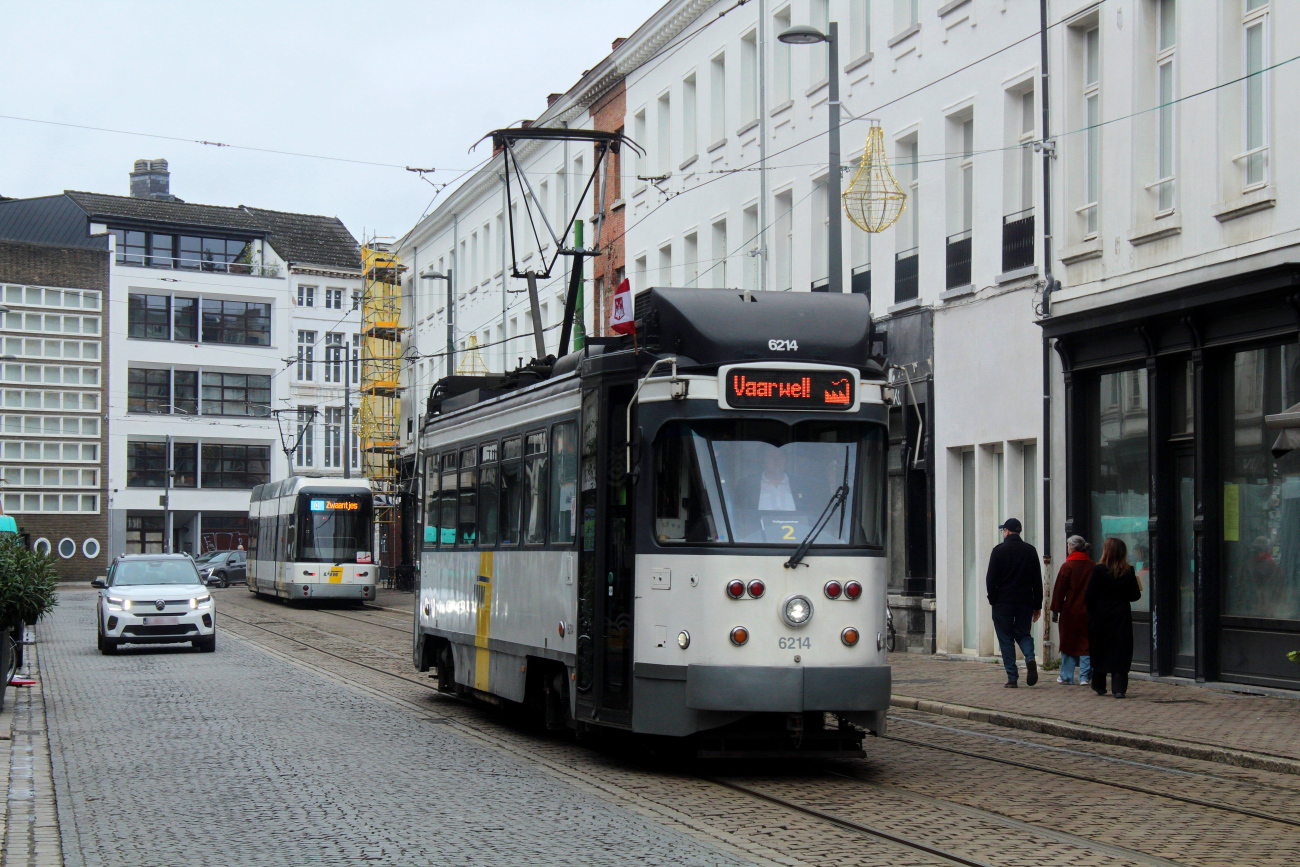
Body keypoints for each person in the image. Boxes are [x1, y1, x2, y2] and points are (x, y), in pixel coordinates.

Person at [985, 517, 1043, 688]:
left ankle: (1012, 677)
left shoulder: (998, 551)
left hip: (1003, 602)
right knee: (1023, 633)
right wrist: (1037, 605)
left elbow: (990, 579)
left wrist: (992, 599)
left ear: (1007, 531)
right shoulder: (1030, 551)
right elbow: (1037, 581)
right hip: (1025, 601)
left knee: (1005, 638)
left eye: (1003, 530)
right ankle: (1030, 657)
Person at [1086, 537, 1143, 698]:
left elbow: (1089, 594)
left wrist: (1092, 612)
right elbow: (1135, 595)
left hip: (1100, 616)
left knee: (1100, 648)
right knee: (1121, 649)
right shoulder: (1128, 571)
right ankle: (1119, 687)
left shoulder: (1098, 570)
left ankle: (1099, 684)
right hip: (1121, 615)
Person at [1050, 535, 1093, 685]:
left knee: (1068, 642)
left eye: (1068, 546)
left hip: (1070, 611)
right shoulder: (1091, 566)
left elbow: (1059, 590)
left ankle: (1067, 675)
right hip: (1088, 610)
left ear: (1072, 548)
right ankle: (1085, 676)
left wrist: (1055, 610)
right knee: (1086, 643)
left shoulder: (1067, 566)